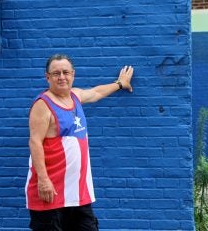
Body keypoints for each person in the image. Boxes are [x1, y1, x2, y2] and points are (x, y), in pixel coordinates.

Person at [25, 54, 134, 231]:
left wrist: (120, 84)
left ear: (73, 74)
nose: (62, 77)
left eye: (66, 72)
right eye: (56, 73)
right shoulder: (42, 105)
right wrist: (43, 180)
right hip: (50, 194)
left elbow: (96, 92)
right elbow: (35, 143)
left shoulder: (75, 96)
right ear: (48, 77)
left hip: (77, 193)